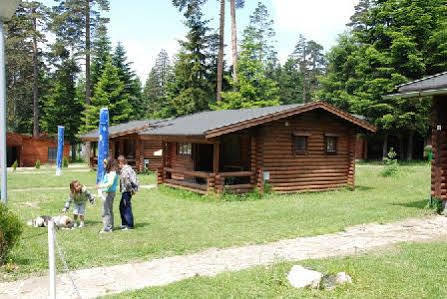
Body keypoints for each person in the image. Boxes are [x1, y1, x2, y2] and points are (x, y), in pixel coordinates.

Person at [97, 158, 119, 233]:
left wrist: (101, 186)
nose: (104, 165)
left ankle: (107, 229)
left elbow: (110, 183)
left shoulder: (112, 173)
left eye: (105, 164)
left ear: (110, 165)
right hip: (108, 193)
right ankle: (110, 226)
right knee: (109, 210)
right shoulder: (110, 172)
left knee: (105, 211)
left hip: (108, 193)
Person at [117, 155, 139, 230]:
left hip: (127, 191)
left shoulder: (125, 170)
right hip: (126, 191)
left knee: (126, 207)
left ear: (121, 162)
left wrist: (131, 190)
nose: (118, 165)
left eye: (118, 163)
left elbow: (127, 182)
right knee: (122, 206)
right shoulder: (128, 168)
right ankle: (124, 223)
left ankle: (129, 225)